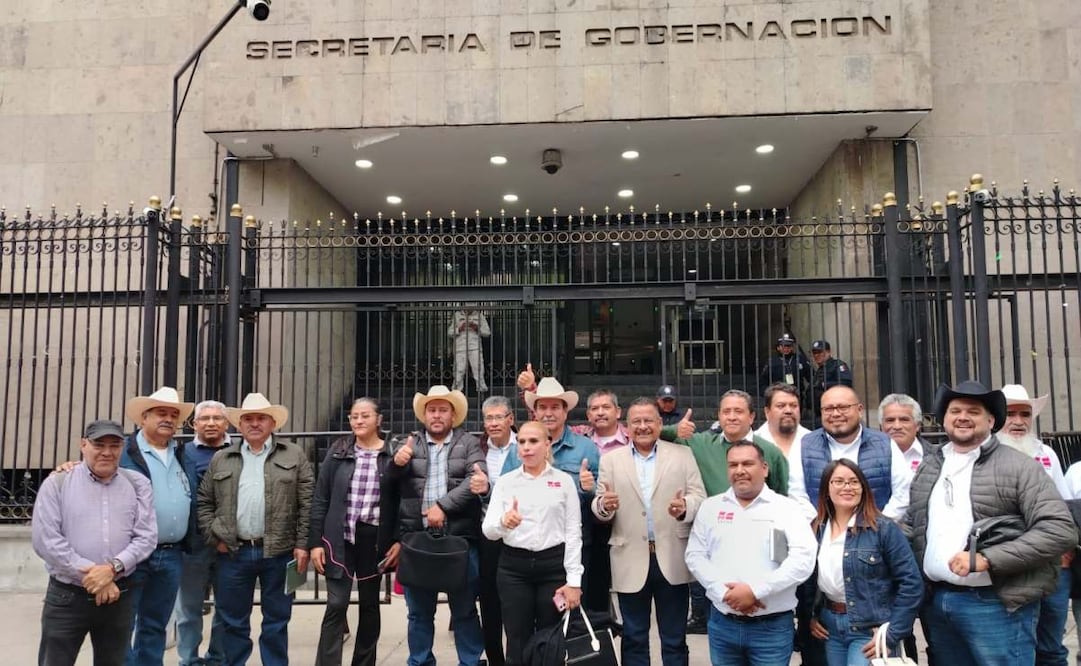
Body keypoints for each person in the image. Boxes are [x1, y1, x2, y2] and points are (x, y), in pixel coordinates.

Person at [905, 381, 1077, 665]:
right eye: (955, 411)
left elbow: (1059, 529)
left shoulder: (1020, 466)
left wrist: (987, 558)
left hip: (995, 604)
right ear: (944, 419)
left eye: (973, 411)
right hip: (938, 603)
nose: (963, 417)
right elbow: (913, 523)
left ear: (991, 421)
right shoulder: (930, 465)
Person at [197, 393, 313, 666]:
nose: (254, 423)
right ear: (239, 425)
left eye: (261, 418)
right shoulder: (222, 458)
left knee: (277, 620)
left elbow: (307, 503)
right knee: (233, 622)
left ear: (273, 423)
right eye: (248, 418)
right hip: (233, 553)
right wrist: (215, 537)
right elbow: (204, 502)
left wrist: (302, 544)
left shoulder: (294, 454)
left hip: (280, 553)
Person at [663, 390, 790, 635]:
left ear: (751, 416)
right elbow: (649, 433)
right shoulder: (701, 444)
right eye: (726, 411)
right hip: (717, 545)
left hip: (761, 548)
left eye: (738, 411)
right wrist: (675, 430)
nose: (732, 417)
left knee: (764, 614)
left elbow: (781, 501)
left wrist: (778, 563)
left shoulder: (770, 452)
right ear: (719, 416)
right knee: (721, 616)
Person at [32, 419, 157, 666]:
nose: (107, 452)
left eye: (114, 445)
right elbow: (46, 540)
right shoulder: (57, 483)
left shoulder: (138, 484)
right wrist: (96, 577)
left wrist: (112, 569)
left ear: (122, 448)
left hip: (118, 594)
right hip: (67, 596)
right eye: (99, 445)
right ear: (83, 445)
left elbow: (146, 536)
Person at [591, 399, 706, 666]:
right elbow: (599, 503)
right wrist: (605, 506)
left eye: (648, 421)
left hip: (672, 556)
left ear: (659, 423)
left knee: (674, 638)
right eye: (636, 422)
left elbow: (699, 496)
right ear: (627, 426)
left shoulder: (682, 454)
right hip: (629, 556)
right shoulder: (611, 460)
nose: (642, 426)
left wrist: (685, 507)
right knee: (634, 637)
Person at [685, 440, 817, 666]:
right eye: (733, 465)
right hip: (723, 626)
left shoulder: (787, 508)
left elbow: (802, 560)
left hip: (771, 629)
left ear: (764, 468)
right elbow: (695, 555)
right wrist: (725, 593)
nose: (740, 470)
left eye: (747, 463)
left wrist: (755, 591)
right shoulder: (711, 507)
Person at [390, 385, 486, 666]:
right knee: (418, 614)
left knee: (465, 611)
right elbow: (389, 483)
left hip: (459, 539)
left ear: (453, 415)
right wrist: (396, 464)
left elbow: (476, 479)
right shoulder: (409, 443)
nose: (437, 415)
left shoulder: (469, 443)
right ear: (424, 415)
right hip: (418, 540)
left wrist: (442, 506)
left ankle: (470, 662)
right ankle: (420, 661)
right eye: (432, 410)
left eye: (443, 410)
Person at [482, 421, 584, 666]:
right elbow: (488, 530)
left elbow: (573, 532)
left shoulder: (564, 481)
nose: (526, 447)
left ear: (548, 445)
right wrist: (504, 523)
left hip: (553, 567)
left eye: (533, 441)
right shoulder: (506, 482)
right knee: (516, 638)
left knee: (550, 639)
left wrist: (574, 581)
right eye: (521, 442)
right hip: (514, 568)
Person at [309, 398, 401, 666]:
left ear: (379, 419)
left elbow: (401, 501)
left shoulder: (391, 454)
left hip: (374, 539)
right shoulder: (338, 451)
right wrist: (315, 542)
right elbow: (320, 498)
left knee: (370, 605)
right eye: (354, 416)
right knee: (336, 604)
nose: (358, 421)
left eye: (365, 415)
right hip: (339, 537)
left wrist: (398, 540)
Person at [805, 459, 923, 666]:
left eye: (854, 481)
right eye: (838, 481)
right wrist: (811, 616)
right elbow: (808, 581)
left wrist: (893, 632)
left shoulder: (883, 529)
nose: (847, 487)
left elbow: (911, 583)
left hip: (870, 629)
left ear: (863, 488)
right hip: (830, 626)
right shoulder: (817, 528)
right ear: (826, 489)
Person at [501, 377, 602, 610]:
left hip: (573, 545)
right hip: (526, 549)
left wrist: (589, 489)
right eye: (542, 407)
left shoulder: (585, 448)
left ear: (565, 412)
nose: (548, 413)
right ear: (534, 412)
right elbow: (503, 493)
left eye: (555, 407)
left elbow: (601, 498)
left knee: (567, 614)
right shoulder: (519, 449)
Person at [120, 386, 199, 666]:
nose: (168, 419)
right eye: (161, 413)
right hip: (132, 554)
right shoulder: (123, 453)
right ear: (144, 418)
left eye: (173, 415)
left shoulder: (182, 454)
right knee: (122, 625)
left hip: (171, 554)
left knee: (155, 625)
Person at [998, 384, 1072, 666]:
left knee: (1051, 646)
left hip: (1051, 563)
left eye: (1025, 414)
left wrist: (1066, 550)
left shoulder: (1047, 454)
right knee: (1016, 647)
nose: (1018, 421)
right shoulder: (985, 454)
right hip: (1008, 565)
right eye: (1011, 414)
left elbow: (1064, 504)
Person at [789, 386, 910, 522]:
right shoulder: (804, 445)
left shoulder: (884, 444)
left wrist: (879, 526)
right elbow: (796, 493)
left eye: (843, 407)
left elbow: (903, 492)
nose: (836, 414)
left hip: (876, 531)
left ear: (860, 410)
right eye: (828, 409)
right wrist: (820, 526)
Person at [175, 400, 231, 666]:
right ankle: (188, 660)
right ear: (194, 424)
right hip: (193, 544)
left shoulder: (240, 450)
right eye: (204, 419)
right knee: (188, 609)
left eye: (217, 418)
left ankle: (218, 658)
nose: (211, 423)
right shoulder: (180, 453)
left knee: (227, 608)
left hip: (230, 544)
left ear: (226, 423)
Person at [475, 395, 518, 666]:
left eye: (498, 417)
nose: (493, 423)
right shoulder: (478, 449)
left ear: (510, 419)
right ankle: (495, 659)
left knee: (518, 602)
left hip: (519, 535)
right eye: (488, 418)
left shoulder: (525, 444)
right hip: (488, 536)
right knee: (489, 601)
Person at [754, 383, 812, 461]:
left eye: (793, 405)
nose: (788, 410)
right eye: (781, 406)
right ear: (767, 412)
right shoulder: (753, 442)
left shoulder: (813, 441)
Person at [878, 394, 926, 476]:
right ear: (881, 426)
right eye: (890, 420)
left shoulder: (937, 456)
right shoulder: (869, 457)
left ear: (917, 425)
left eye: (904, 420)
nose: (897, 426)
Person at [759, 333, 811, 406]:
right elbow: (763, 381)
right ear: (778, 347)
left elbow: (811, 377)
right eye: (783, 346)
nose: (786, 349)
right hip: (778, 396)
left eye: (788, 346)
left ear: (792, 347)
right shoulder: (772, 361)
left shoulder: (800, 359)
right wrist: (769, 395)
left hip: (796, 396)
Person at [809, 341, 853, 425]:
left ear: (828, 352)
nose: (816, 355)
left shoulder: (837, 365)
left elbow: (846, 383)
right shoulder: (820, 369)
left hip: (834, 412)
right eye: (814, 353)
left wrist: (824, 385)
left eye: (820, 352)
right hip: (819, 413)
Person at [449, 306, 491, 393]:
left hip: (475, 347)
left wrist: (477, 328)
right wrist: (459, 329)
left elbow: (487, 332)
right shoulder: (457, 315)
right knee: (459, 370)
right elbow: (450, 332)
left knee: (478, 369)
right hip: (460, 347)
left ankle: (481, 391)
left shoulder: (479, 316)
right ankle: (456, 391)